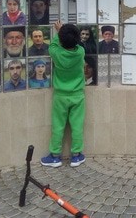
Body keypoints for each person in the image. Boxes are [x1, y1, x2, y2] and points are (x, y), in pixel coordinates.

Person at [40, 21, 86, 168]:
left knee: (58, 126)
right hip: (78, 95)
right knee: (77, 126)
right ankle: (76, 156)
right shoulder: (80, 52)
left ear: (60, 39)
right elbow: (76, 45)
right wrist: (63, 33)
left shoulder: (56, 53)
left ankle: (55, 156)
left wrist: (58, 32)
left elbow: (53, 45)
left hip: (60, 95)